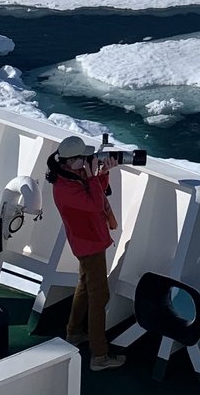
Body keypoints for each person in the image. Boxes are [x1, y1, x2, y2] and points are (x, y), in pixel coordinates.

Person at [47, 136, 126, 371]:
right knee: (99, 297)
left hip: (87, 241)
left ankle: (73, 332)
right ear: (70, 160)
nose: (87, 160)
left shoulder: (70, 174)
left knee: (84, 285)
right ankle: (99, 356)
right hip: (88, 244)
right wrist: (92, 176)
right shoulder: (64, 187)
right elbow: (94, 205)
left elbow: (98, 193)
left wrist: (102, 173)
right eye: (83, 158)